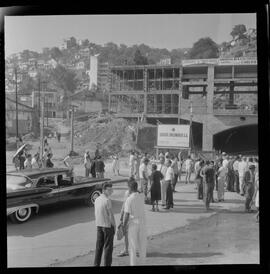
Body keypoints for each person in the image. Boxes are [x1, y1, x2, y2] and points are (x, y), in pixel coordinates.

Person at [123, 180, 147, 266]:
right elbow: (141, 192)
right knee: (142, 246)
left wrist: (123, 226)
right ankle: (142, 263)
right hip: (142, 223)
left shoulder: (129, 199)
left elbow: (126, 215)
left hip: (133, 223)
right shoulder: (142, 196)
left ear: (129, 188)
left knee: (132, 247)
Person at [94, 182, 116, 267]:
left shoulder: (97, 199)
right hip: (107, 226)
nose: (111, 191)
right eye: (109, 190)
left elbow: (96, 213)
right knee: (108, 248)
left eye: (112, 189)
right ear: (104, 190)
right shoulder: (107, 200)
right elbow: (111, 215)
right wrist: (114, 226)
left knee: (99, 247)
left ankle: (96, 264)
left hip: (99, 226)